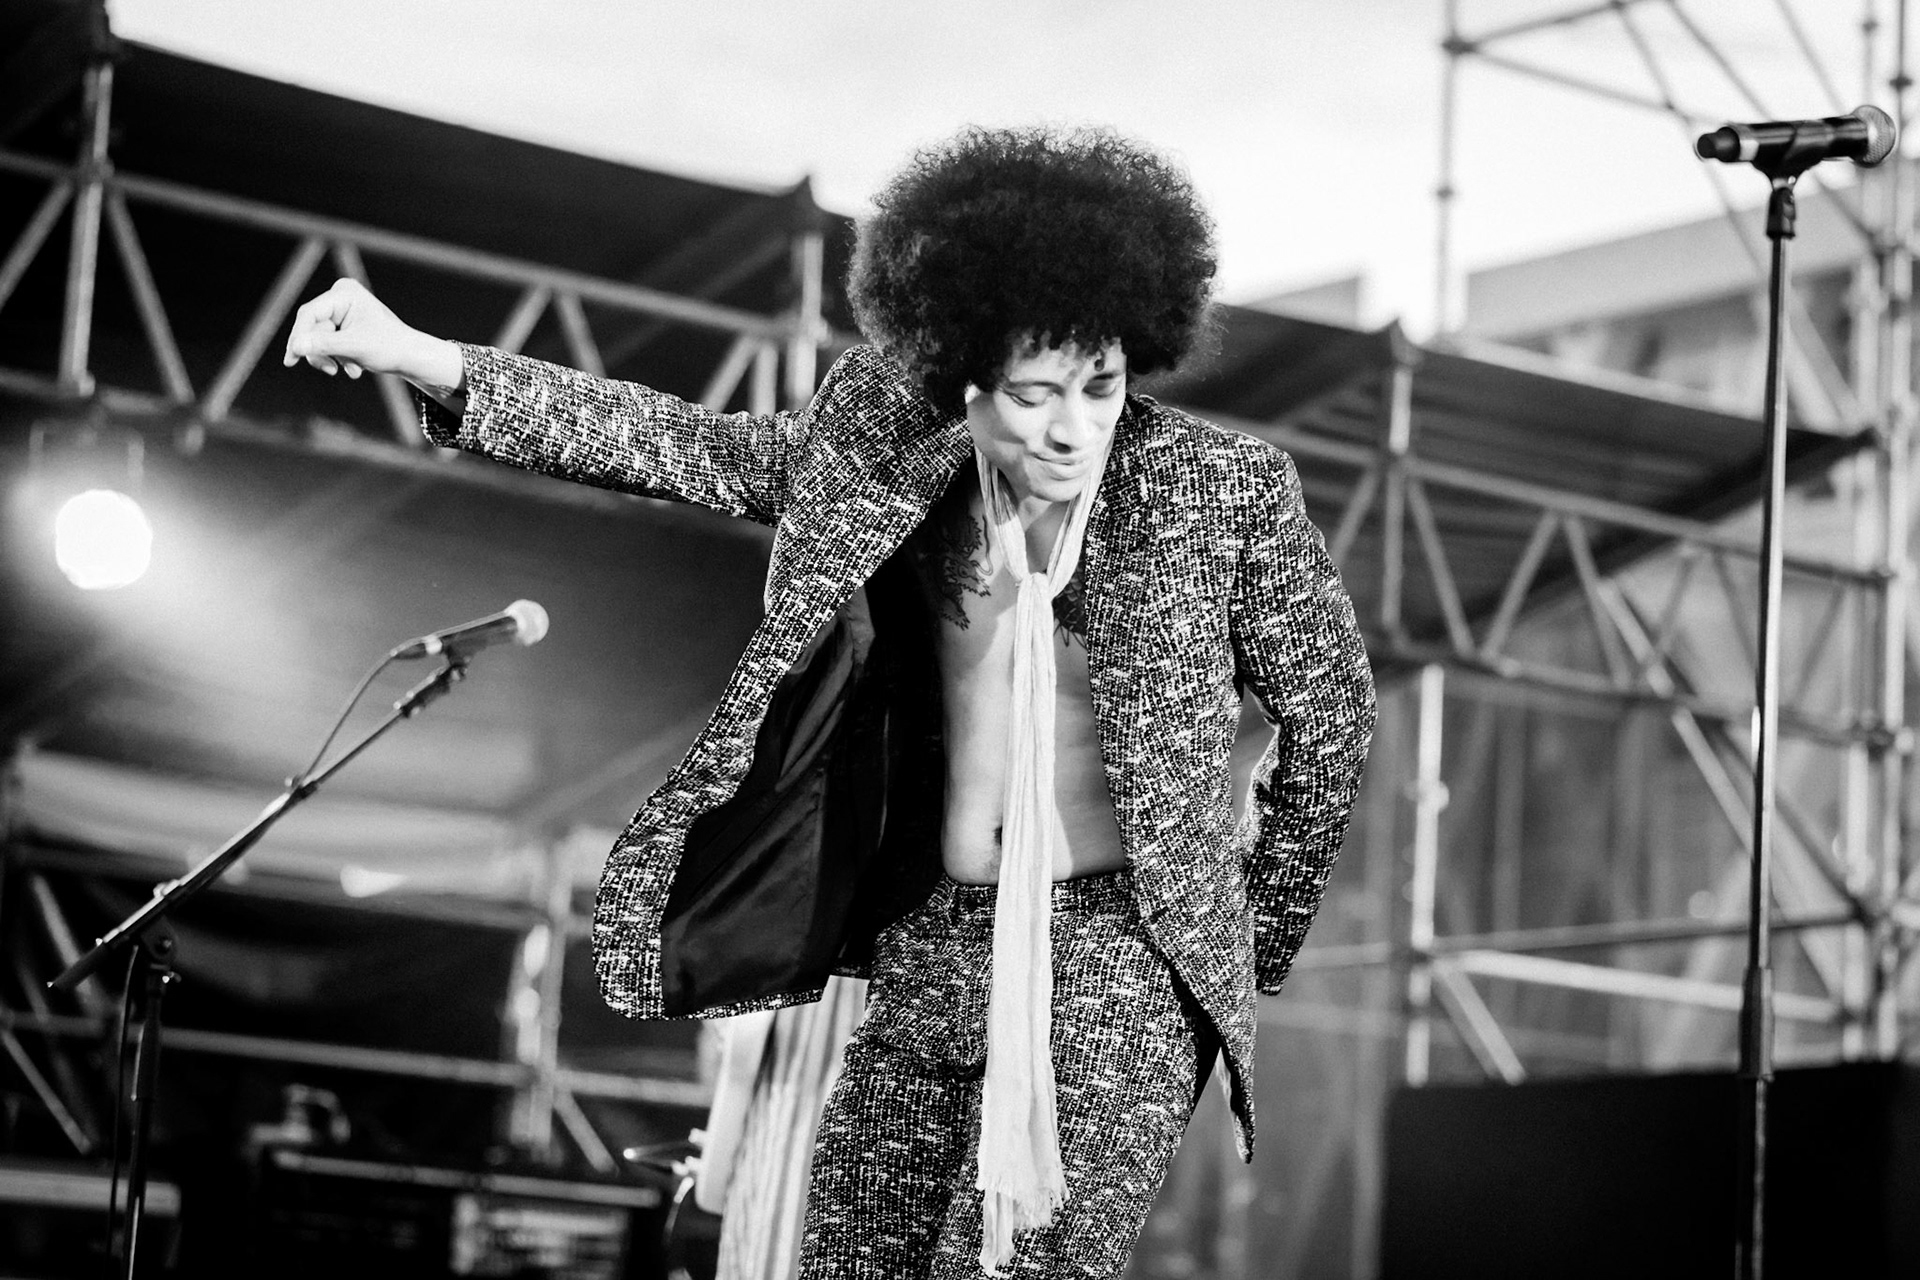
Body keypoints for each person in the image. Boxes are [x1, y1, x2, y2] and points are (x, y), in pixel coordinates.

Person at [284, 125, 1374, 1280]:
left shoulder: (1220, 489)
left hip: (1116, 953)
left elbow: (1332, 712)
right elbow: (686, 445)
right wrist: (430, 358)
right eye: (1033, 393)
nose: (1070, 427)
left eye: (1099, 386)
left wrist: (1242, 938)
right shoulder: (887, 438)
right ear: (960, 374)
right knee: (848, 1258)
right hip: (926, 935)